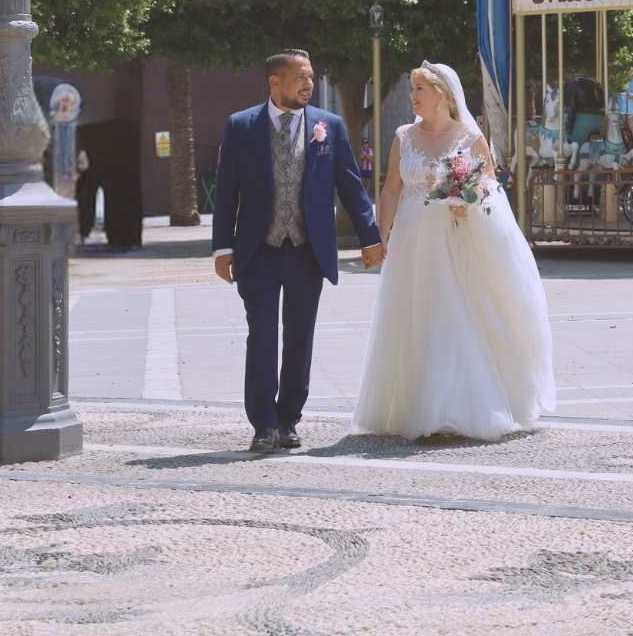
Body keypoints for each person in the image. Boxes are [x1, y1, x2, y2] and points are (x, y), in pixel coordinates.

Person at [352, 62, 554, 441]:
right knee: (416, 316)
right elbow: (392, 189)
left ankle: (455, 408)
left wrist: (469, 201)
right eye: (412, 89)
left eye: (419, 89)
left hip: (456, 238)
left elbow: (491, 186)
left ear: (442, 93)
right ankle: (417, 405)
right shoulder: (403, 137)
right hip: (413, 241)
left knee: (454, 313)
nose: (412, 96)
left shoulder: (469, 137)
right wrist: (381, 236)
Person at [212, 49, 385, 453]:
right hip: (258, 250)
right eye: (300, 77)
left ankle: (288, 419)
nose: (309, 84)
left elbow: (351, 186)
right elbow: (226, 192)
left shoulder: (330, 126)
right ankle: (262, 423)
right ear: (275, 82)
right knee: (262, 337)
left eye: (311, 77)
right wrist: (223, 247)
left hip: (308, 251)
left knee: (300, 338)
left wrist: (370, 237)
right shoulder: (241, 126)